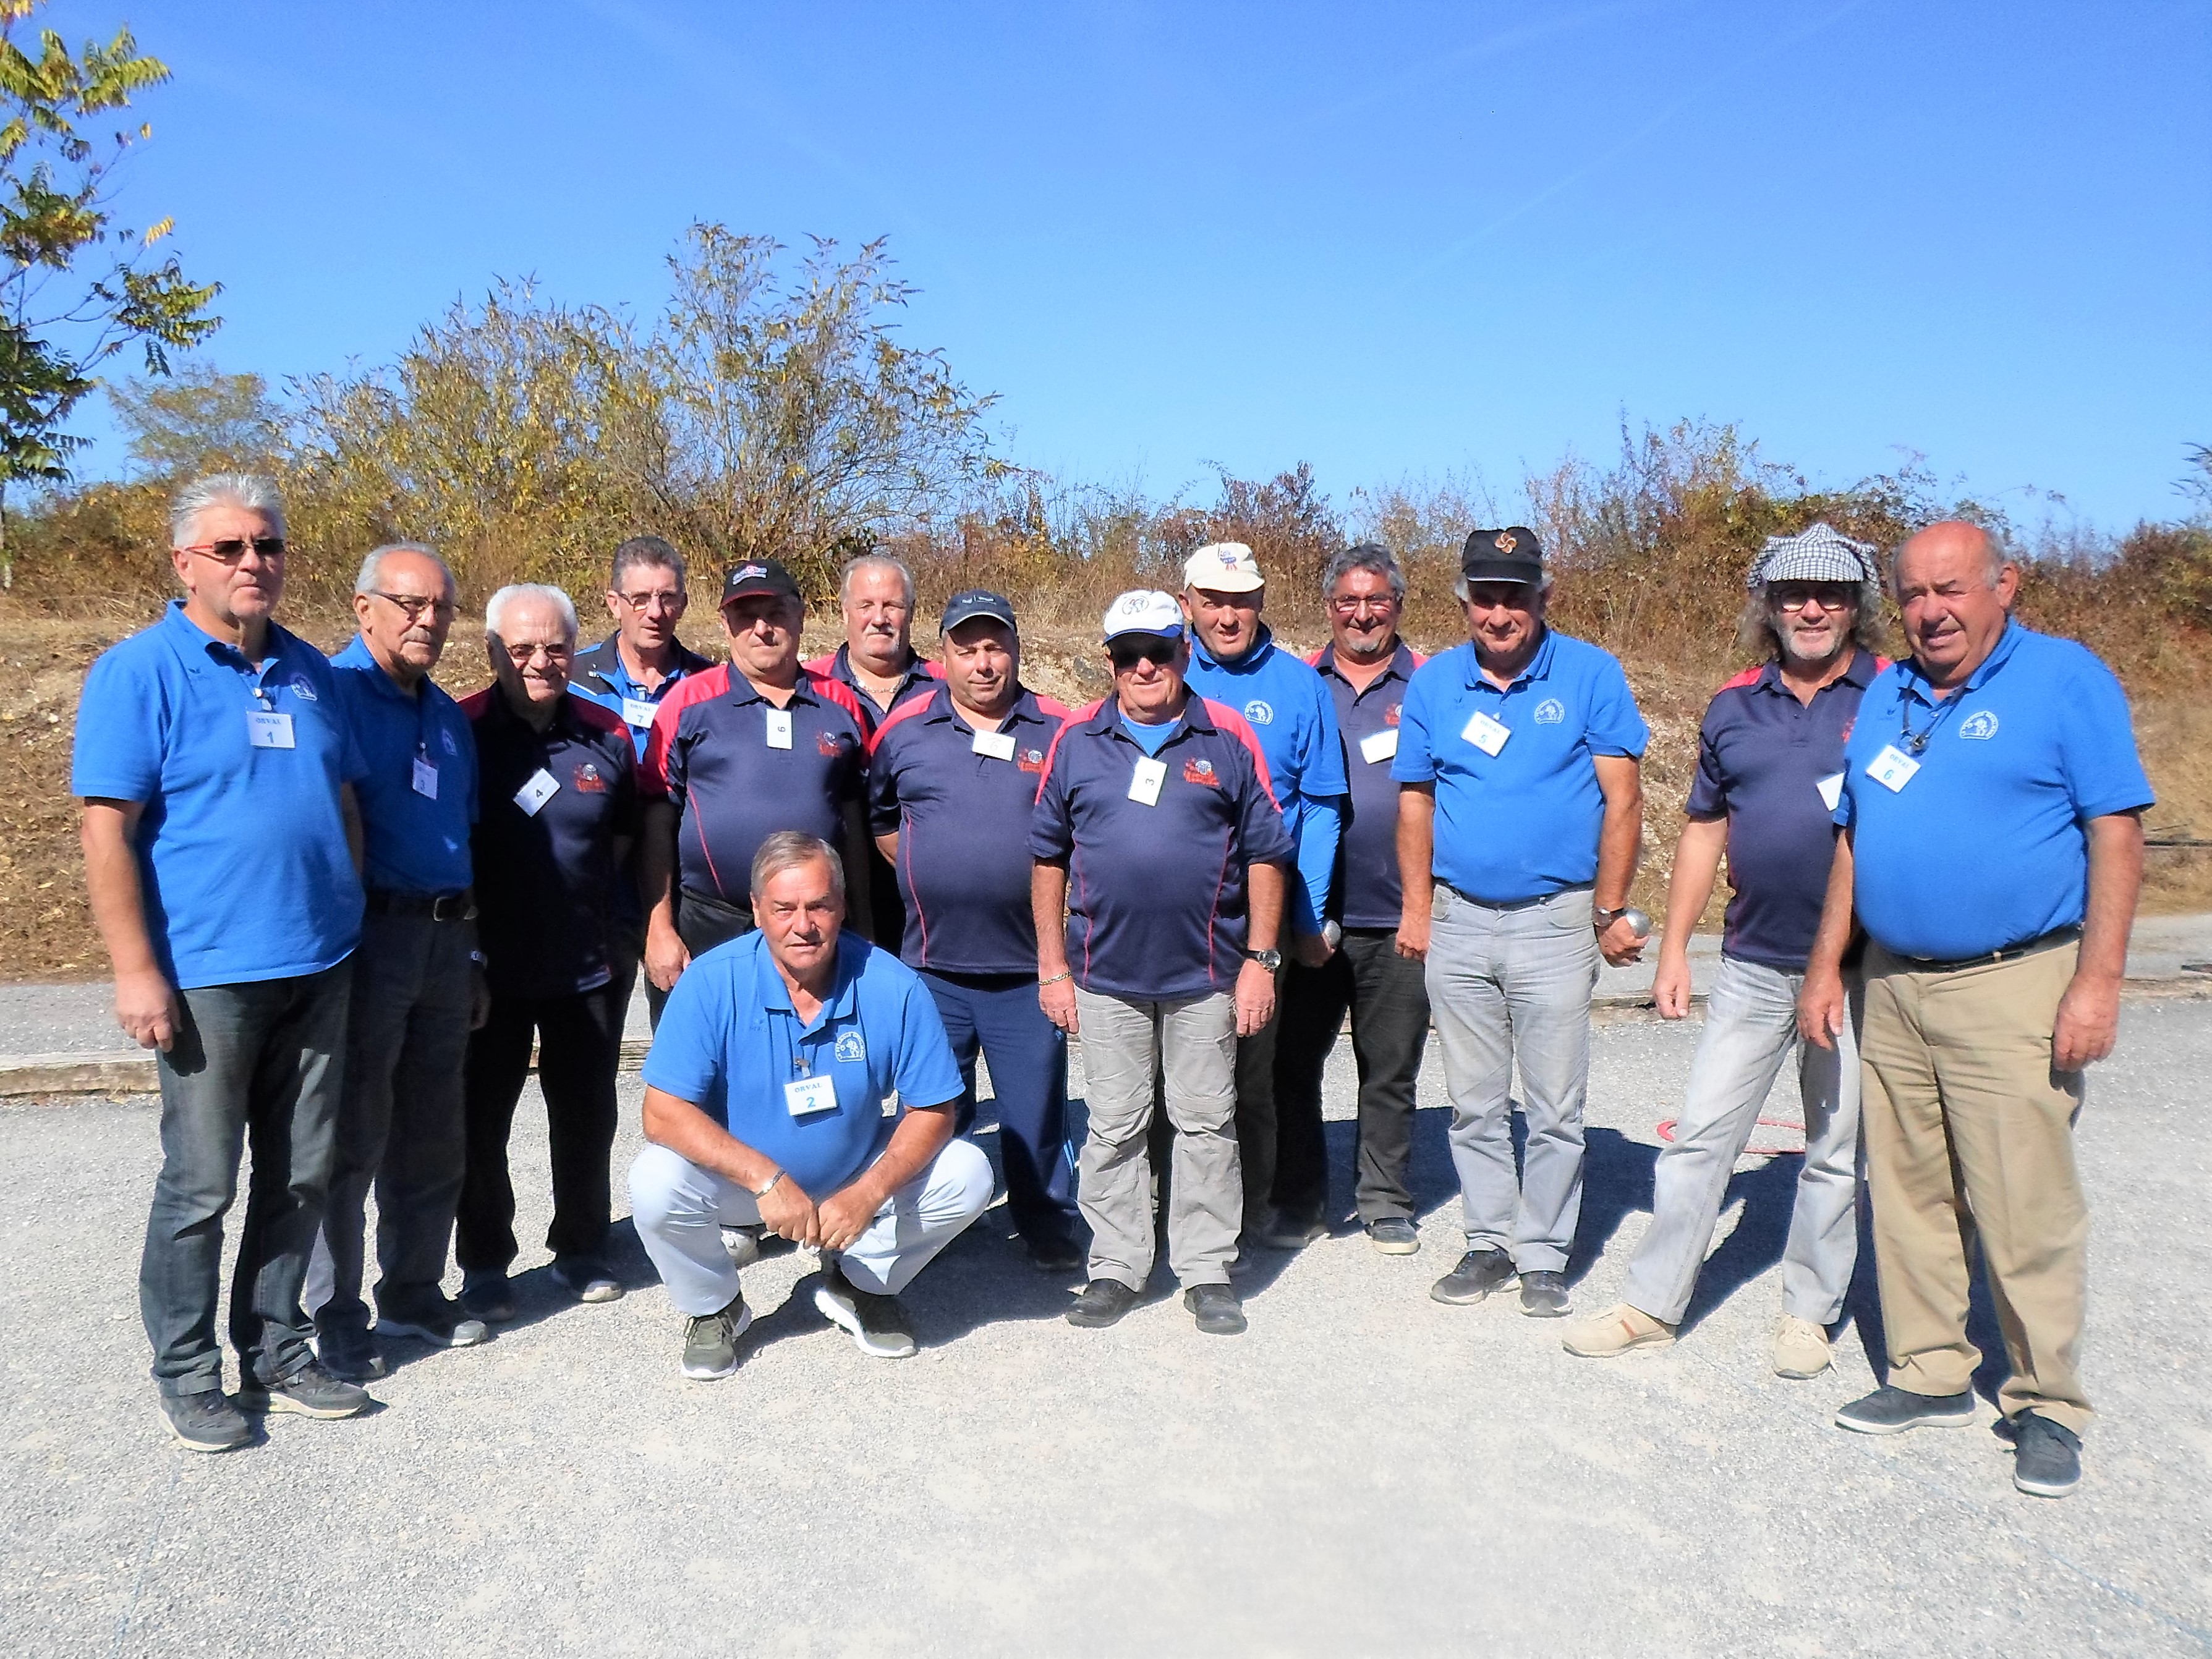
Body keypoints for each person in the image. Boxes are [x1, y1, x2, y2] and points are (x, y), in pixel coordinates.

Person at [1800, 521, 2151, 1501]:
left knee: (2019, 1194)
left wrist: (2097, 981)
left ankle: (2044, 1401)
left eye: (1949, 590)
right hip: (1895, 981)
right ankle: (1929, 1372)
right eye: (1912, 595)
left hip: (2014, 980)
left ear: (2005, 585)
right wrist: (1828, 967)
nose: (1930, 612)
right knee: (1907, 1190)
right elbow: (1853, 842)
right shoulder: (1888, 695)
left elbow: (2113, 834)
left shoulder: (2062, 679)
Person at [74, 472, 374, 1449]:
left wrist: (350, 911)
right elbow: (107, 831)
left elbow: (341, 804)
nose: (255, 563)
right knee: (202, 1185)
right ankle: (189, 1373)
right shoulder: (140, 671)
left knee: (301, 1176)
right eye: (232, 548)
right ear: (184, 563)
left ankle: (279, 1348)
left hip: (319, 962)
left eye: (270, 546)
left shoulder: (307, 670)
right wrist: (135, 970)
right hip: (207, 975)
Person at [1564, 523, 1882, 1376]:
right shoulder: (1733, 704)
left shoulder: (1893, 696)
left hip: (1860, 970)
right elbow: (1704, 828)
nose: (1810, 607)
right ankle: (1652, 1303)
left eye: (1829, 593)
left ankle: (1808, 1314)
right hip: (1749, 962)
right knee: (1701, 1137)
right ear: (1766, 604)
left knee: (1834, 1149)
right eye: (1791, 593)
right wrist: (1675, 950)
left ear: (1857, 603)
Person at [1394, 528, 1649, 1318]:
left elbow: (1624, 799)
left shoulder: (1588, 675)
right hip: (1459, 918)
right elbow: (1415, 801)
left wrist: (1608, 909)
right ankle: (1487, 1240)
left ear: (1543, 596)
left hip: (1554, 921)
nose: (1498, 611)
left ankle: (1542, 1252)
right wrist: (1415, 906)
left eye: (1514, 594)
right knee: (1473, 1100)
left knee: (1551, 1104)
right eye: (1484, 595)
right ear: (1464, 599)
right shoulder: (1434, 684)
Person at [627, 833, 993, 1378]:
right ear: (756, 911)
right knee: (653, 1182)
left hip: (852, 1178)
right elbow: (661, 1113)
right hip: (747, 1187)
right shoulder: (710, 982)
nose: (804, 925)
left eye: (819, 905)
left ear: (842, 906)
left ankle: (857, 1282)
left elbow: (934, 1111)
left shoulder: (892, 985)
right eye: (784, 908)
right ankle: (714, 1305)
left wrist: (868, 1194)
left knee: (970, 1172)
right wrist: (766, 1180)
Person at [1031, 590, 1294, 1338]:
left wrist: (1260, 960)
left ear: (1184, 650)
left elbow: (1269, 855)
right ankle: (1115, 1264)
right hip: (1104, 974)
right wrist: (1052, 966)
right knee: (1114, 1124)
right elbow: (1047, 854)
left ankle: (1206, 1267)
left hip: (1205, 974)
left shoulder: (1228, 733)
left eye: (1158, 650)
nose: (1143, 665)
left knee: (1207, 1122)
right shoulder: (1077, 739)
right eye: (1126, 653)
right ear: (1109, 660)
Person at [308, 542, 489, 1380]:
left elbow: (465, 839)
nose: (428, 620)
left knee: (431, 1132)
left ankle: (413, 1289)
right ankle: (333, 1313)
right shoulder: (331, 698)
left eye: (441, 607)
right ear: (364, 607)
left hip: (448, 945)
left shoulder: (447, 717)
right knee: (350, 1135)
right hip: (369, 942)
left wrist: (476, 949)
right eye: (410, 604)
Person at [868, 590, 1084, 1271]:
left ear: (1015, 650)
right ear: (944, 654)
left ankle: (1045, 1220)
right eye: (968, 648)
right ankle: (933, 1223)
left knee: (1033, 1113)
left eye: (996, 647)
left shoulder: (1057, 729)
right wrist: (933, 869)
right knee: (934, 1111)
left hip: (1027, 970)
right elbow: (879, 817)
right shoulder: (904, 729)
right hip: (933, 969)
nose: (984, 663)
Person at [456, 583, 641, 1322]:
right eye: (523, 648)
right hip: (488, 967)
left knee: (586, 1112)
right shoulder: (459, 728)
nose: (541, 661)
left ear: (575, 648)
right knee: (480, 1120)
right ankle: (483, 1263)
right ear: (495, 651)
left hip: (587, 963)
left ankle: (581, 1246)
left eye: (556, 647)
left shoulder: (606, 732)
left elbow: (623, 836)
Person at [1178, 542, 1349, 1255]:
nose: (1226, 614)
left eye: (1240, 600)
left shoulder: (1297, 684)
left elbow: (1319, 808)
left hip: (1257, 916)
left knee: (1252, 1075)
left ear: (1261, 601)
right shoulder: (1159, 669)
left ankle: (1246, 1211)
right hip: (1173, 918)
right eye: (1211, 600)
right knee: (1172, 1078)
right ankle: (1170, 1209)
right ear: (1186, 603)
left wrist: (1301, 918)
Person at [1273, 543, 1431, 1255]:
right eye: (1346, 600)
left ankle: (1385, 1200)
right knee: (1293, 1063)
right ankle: (1299, 1201)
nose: (1361, 613)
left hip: (1396, 913)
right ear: (1327, 607)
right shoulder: (1300, 683)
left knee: (1389, 1065)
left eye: (1375, 600)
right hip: (1308, 913)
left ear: (1397, 603)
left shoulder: (1430, 685)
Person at [639, 558, 873, 991]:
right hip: (708, 923)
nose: (762, 629)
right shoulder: (687, 702)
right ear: (726, 625)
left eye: (776, 614)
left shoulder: (842, 705)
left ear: (800, 618)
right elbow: (656, 821)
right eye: (747, 617)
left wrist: (865, 927)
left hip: (812, 927)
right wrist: (659, 930)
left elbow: (855, 824)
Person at [568, 535, 713, 1028]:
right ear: (614, 602)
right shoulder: (571, 679)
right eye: (640, 598)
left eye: (668, 597)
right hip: (594, 896)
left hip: (686, 899)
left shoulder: (710, 685)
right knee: (587, 1062)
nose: (655, 611)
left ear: (684, 603)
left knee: (686, 1051)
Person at [806, 551, 943, 953]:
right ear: (845, 611)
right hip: (832, 887)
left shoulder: (947, 690)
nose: (879, 618)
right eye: (866, 605)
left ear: (912, 613)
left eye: (892, 606)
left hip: (923, 888)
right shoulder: (809, 686)